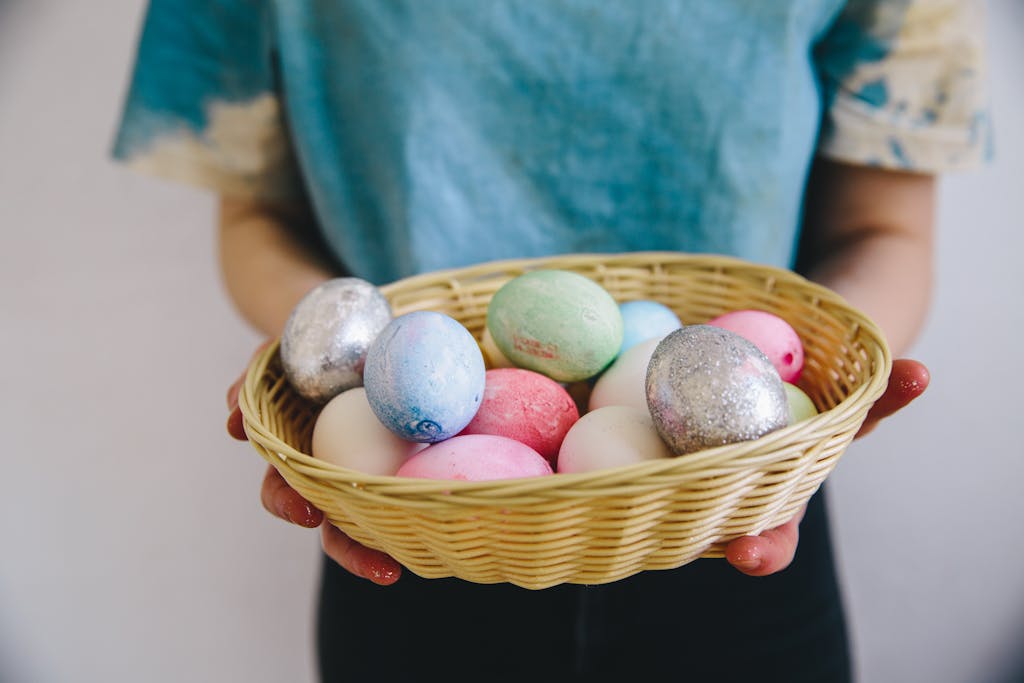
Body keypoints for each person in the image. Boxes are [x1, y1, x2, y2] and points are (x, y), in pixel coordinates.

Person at [114, 1, 987, 680]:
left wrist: (807, 417)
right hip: (413, 523)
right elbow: (255, 216)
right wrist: (323, 363)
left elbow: (885, 227)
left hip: (739, 511)